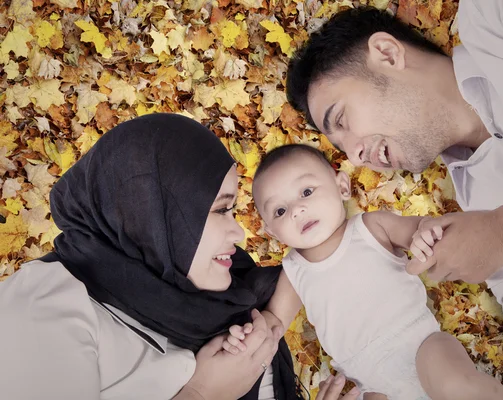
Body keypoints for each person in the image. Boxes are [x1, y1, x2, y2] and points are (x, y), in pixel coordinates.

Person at [284, 4, 503, 400]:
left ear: (387, 54)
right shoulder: (478, 219)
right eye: (340, 148)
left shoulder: (499, 19)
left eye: (342, 121)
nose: (353, 157)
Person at [0, 114, 305, 400]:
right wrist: (201, 393)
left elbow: (305, 268)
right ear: (150, 215)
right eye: (221, 210)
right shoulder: (43, 304)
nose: (238, 233)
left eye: (232, 209)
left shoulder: (194, 277)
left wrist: (272, 322)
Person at [223, 144, 503, 400]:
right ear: (273, 232)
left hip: (420, 346)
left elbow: (420, 230)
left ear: (342, 187)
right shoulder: (294, 270)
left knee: (454, 386)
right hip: (373, 384)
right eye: (280, 211)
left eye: (307, 192)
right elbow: (274, 320)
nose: (297, 209)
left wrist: (425, 235)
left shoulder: (370, 228)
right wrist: (254, 333)